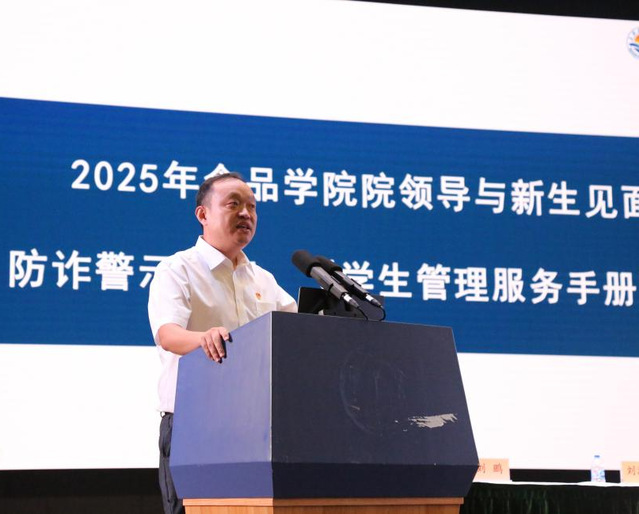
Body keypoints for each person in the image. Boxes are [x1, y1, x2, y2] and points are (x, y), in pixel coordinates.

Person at [148, 171, 297, 514]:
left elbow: (295, 332)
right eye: (234, 204)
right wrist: (204, 338)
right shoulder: (177, 269)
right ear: (203, 214)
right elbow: (168, 334)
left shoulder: (263, 279)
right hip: (193, 426)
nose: (246, 213)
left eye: (252, 206)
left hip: (252, 430)